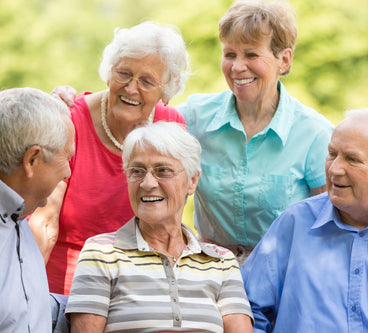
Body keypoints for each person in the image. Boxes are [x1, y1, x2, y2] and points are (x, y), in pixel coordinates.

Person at [53, 1, 334, 265]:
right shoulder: (193, 118)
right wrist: (64, 98)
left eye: (251, 54)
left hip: (285, 274)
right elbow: (139, 97)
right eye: (230, 54)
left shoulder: (314, 135)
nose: (237, 67)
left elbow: (328, 228)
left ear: (284, 60)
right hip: (213, 272)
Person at [29, 21, 190, 295]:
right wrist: (29, 297)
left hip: (139, 288)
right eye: (124, 73)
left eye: (147, 81)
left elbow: (169, 225)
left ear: (167, 90)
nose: (131, 88)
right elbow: (44, 221)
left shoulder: (171, 126)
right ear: (108, 73)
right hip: (66, 290)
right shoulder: (71, 122)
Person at [65, 121, 254, 333]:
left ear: (192, 181)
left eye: (162, 171)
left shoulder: (221, 261)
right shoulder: (101, 253)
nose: (147, 183)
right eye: (136, 171)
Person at [241, 108, 368, 332]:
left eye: (352, 159)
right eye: (331, 154)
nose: (335, 169)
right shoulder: (296, 222)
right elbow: (246, 308)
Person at [0, 88, 74, 332]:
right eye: (66, 157)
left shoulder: (15, 211)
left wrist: (94, 305)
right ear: (32, 160)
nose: (68, 172)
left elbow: (8, 310)